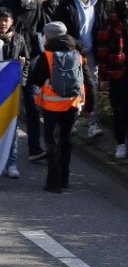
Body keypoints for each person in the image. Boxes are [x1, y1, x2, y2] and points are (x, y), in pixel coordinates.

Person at [27, 21, 96, 192]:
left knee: (52, 143)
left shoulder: (48, 56)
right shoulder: (78, 54)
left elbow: (34, 80)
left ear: (48, 37)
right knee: (66, 141)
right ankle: (65, 179)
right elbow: (89, 82)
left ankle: (54, 183)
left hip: (51, 106)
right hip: (72, 105)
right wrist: (89, 107)